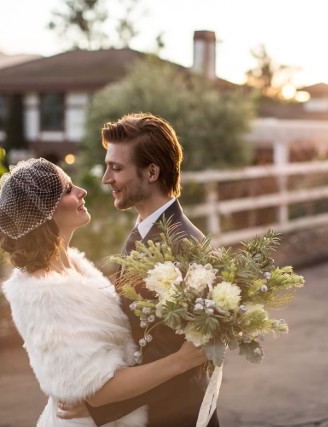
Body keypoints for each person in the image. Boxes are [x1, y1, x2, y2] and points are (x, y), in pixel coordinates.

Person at [0, 157, 208, 427]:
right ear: (45, 212)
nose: (81, 191)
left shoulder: (72, 265)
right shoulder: (43, 296)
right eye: (68, 189)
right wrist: (181, 360)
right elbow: (98, 392)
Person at [58, 113, 220, 427]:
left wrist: (100, 408)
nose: (106, 179)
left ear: (152, 172)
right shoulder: (146, 231)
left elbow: (189, 360)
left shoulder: (183, 246)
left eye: (116, 168)